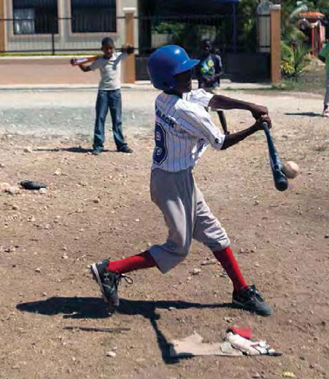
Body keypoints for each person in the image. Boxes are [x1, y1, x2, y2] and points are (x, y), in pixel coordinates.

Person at [89, 45, 273, 317]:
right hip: (170, 184)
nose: (189, 74)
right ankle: (111, 270)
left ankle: (241, 290)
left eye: (188, 69)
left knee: (215, 234)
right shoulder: (185, 111)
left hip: (179, 177)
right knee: (178, 247)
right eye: (182, 73)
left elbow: (210, 98)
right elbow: (221, 142)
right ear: (168, 81)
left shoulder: (166, 97)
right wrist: (255, 128)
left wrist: (249, 106)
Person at [79, 37, 134, 155]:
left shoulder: (118, 56)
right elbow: (86, 69)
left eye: (111, 48)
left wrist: (127, 46)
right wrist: (79, 63)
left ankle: (121, 145)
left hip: (116, 92)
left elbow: (130, 51)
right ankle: (98, 145)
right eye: (106, 49)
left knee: (117, 119)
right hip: (103, 92)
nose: (109, 51)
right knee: (100, 118)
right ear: (102, 49)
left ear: (113, 48)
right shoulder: (99, 61)